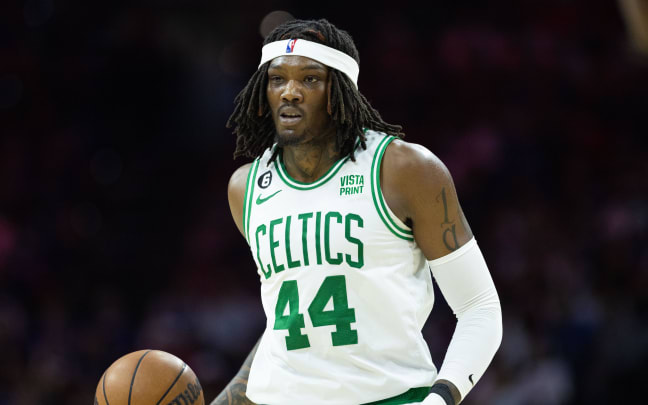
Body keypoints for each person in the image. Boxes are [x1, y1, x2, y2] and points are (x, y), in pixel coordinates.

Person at [213, 18, 502, 405]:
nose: (290, 93)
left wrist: (441, 399)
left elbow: (478, 307)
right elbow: (289, 324)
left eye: (310, 79)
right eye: (277, 79)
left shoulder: (404, 170)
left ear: (341, 91)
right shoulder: (246, 188)